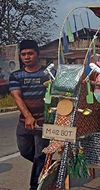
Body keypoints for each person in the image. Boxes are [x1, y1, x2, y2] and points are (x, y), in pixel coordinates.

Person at [9, 40, 53, 190]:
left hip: (44, 121)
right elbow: (17, 97)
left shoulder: (48, 73)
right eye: (23, 54)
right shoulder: (16, 75)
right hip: (24, 121)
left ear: (37, 54)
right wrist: (28, 116)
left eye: (30, 53)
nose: (26, 57)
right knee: (25, 151)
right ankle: (48, 167)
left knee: (39, 155)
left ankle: (35, 186)